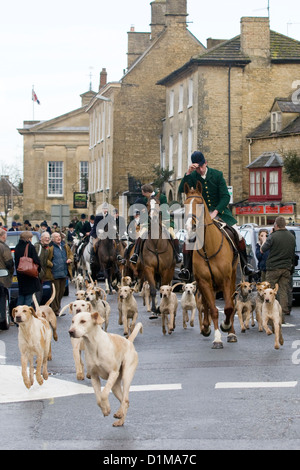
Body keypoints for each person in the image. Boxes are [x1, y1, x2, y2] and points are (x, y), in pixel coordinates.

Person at [178, 151, 257, 280]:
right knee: (189, 238)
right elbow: (182, 190)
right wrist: (187, 173)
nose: (200, 170)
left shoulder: (217, 175)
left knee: (239, 234)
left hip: (221, 213)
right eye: (197, 168)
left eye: (201, 167)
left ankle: (245, 265)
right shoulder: (192, 176)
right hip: (201, 216)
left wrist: (215, 212)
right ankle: (186, 269)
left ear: (206, 163)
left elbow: (226, 196)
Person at [129, 184, 181, 264]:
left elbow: (165, 209)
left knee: (173, 235)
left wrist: (158, 210)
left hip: (163, 220)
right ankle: (136, 255)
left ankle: (177, 255)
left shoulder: (162, 197)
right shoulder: (143, 199)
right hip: (148, 222)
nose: (142, 194)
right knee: (141, 235)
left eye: (143, 192)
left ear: (146, 192)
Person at [261, 216, 296, 322]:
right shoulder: (291, 236)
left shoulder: (273, 236)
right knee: (283, 291)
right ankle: (282, 314)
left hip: (273, 268)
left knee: (269, 291)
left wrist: (264, 239)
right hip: (286, 268)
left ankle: (269, 315)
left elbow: (262, 249)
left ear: (276, 225)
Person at [46, 232, 73, 315]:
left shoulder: (65, 246)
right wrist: (52, 264)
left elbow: (71, 254)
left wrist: (70, 259)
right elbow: (46, 259)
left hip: (64, 272)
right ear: (53, 239)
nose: (59, 238)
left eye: (59, 236)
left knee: (62, 292)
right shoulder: (50, 248)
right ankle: (55, 310)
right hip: (54, 274)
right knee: (55, 293)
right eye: (56, 237)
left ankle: (58, 307)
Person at [14, 231, 41, 306]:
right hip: (29, 274)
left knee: (21, 295)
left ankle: (18, 311)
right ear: (28, 239)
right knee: (28, 297)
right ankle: (26, 314)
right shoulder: (30, 247)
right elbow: (36, 260)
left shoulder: (17, 247)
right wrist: (38, 270)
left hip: (21, 274)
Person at [34, 231, 52, 304]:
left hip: (41, 275)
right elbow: (36, 260)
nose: (47, 239)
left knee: (40, 294)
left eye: (48, 238)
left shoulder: (46, 248)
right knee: (37, 295)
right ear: (41, 238)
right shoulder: (38, 246)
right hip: (36, 275)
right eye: (45, 238)